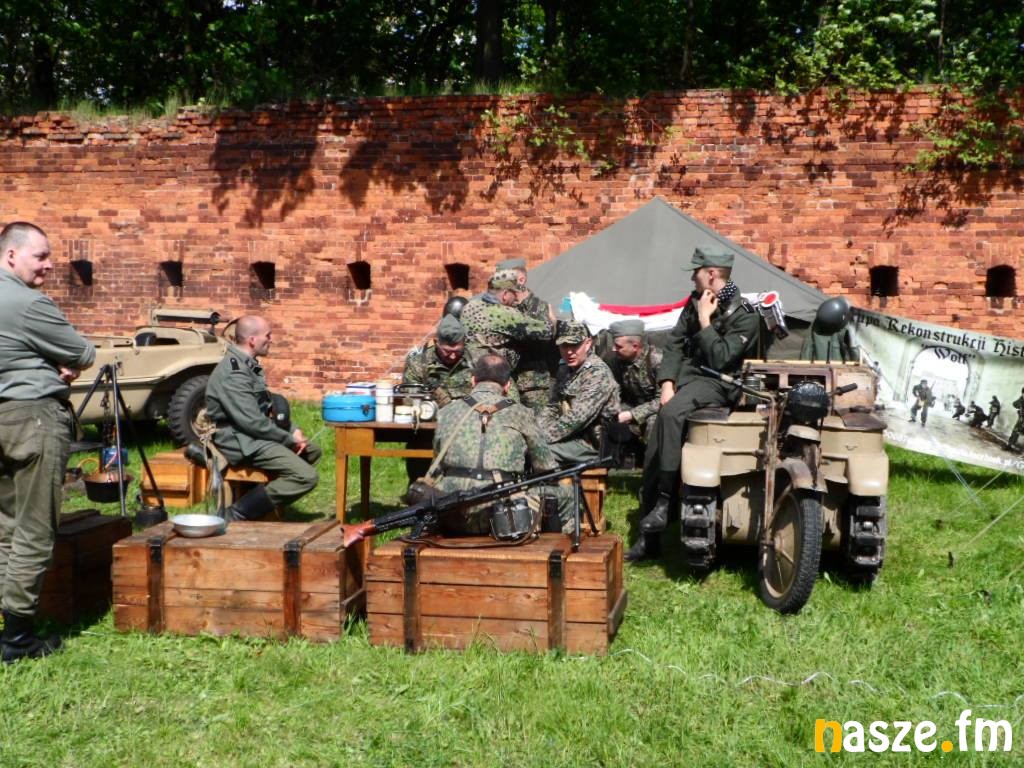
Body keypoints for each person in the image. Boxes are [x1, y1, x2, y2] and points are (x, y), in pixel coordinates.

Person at [0, 221, 96, 662]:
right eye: (40, 256)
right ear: (11, 255)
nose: (50, 265)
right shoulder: (28, 303)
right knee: (35, 528)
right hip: (32, 418)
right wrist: (53, 361)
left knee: (6, 524)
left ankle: (6, 622)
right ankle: (18, 639)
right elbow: (82, 352)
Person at [631, 246, 760, 562]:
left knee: (671, 414)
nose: (692, 277)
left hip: (720, 383)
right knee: (654, 449)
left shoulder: (745, 315)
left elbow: (721, 358)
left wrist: (705, 320)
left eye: (696, 272)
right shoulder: (694, 302)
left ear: (712, 273)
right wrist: (667, 382)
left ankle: (665, 502)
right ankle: (650, 539)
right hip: (688, 380)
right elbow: (674, 344)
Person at [430, 355, 570, 535]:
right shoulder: (521, 413)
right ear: (508, 386)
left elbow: (437, 468)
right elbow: (547, 468)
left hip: (451, 512)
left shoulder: (446, 412)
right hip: (501, 515)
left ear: (473, 381)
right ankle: (557, 546)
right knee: (567, 493)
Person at [205, 315, 321, 520]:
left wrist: (292, 429)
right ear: (252, 340)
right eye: (268, 335)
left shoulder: (247, 364)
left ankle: (260, 497)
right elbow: (252, 422)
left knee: (311, 451)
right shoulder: (234, 372)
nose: (271, 339)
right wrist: (289, 440)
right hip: (238, 439)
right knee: (306, 477)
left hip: (250, 433)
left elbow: (267, 407)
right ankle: (238, 513)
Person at [401, 314, 475, 485]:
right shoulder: (419, 362)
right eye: (447, 351)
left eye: (457, 351)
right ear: (436, 343)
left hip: (466, 429)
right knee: (419, 472)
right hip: (427, 431)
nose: (452, 357)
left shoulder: (475, 361)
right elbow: (409, 398)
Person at [496, 258, 559, 412]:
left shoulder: (540, 308)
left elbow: (544, 335)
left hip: (533, 386)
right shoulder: (501, 308)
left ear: (521, 280)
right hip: (506, 382)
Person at [461, 269, 554, 372]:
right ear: (505, 294)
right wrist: (552, 318)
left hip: (471, 373)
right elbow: (547, 331)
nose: (516, 298)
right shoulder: (505, 314)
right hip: (495, 374)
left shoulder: (470, 306)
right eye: (514, 294)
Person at [603, 318, 663, 451]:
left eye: (619, 346)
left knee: (654, 422)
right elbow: (614, 390)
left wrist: (632, 414)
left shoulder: (657, 360)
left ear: (635, 346)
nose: (614, 349)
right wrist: (613, 409)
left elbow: (663, 399)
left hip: (656, 409)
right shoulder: (615, 361)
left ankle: (651, 459)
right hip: (630, 405)